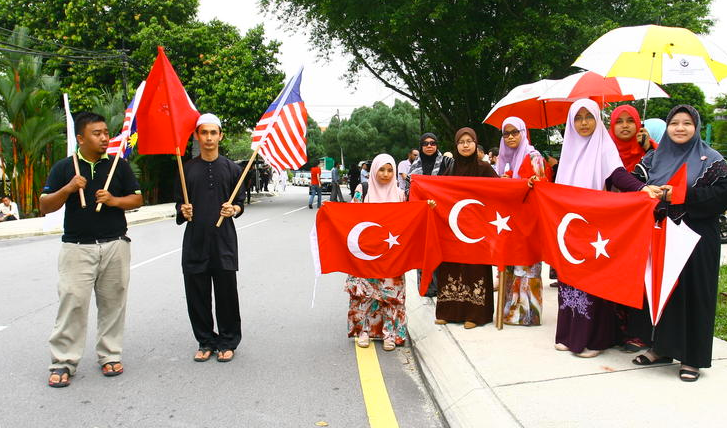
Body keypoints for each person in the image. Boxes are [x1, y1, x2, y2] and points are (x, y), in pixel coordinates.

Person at [40, 112, 143, 388]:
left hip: (115, 245)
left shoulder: (118, 166)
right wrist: (69, 188)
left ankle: (110, 354)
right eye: (97, 133)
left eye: (105, 132)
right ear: (81, 138)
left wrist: (113, 200)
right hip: (76, 248)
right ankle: (63, 360)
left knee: (113, 303)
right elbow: (44, 205)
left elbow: (138, 199)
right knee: (72, 303)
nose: (104, 137)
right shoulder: (64, 167)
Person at [554, 99, 658, 358]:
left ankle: (595, 340)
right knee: (570, 279)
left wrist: (641, 188)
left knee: (593, 281)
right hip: (570, 224)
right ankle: (569, 334)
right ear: (571, 122)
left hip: (595, 224)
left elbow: (618, 174)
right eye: (578, 118)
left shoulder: (604, 146)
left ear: (598, 119)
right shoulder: (568, 149)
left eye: (589, 116)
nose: (584, 123)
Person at [630, 105, 727, 382]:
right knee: (662, 293)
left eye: (687, 123)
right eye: (674, 123)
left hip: (696, 238)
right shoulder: (652, 159)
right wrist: (644, 189)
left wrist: (681, 195)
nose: (680, 128)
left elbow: (721, 196)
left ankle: (692, 359)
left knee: (695, 295)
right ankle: (660, 349)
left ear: (696, 127)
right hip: (660, 235)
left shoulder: (714, 161)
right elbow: (633, 185)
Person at [176, 113, 244, 364]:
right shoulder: (186, 170)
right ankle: (205, 340)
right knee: (197, 295)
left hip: (224, 242)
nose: (208, 137)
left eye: (213, 132)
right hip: (195, 243)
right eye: (203, 132)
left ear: (220, 136)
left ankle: (228, 341)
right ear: (196, 136)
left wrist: (233, 210)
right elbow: (178, 207)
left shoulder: (233, 169)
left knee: (227, 295)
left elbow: (239, 204)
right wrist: (183, 211)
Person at [435, 127, 499, 329]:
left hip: (477, 230)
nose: (465, 145)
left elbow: (501, 191)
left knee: (475, 269)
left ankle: (476, 313)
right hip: (454, 229)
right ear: (456, 145)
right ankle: (449, 311)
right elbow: (437, 191)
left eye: (469, 141)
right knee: (452, 267)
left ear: (475, 143)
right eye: (461, 142)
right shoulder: (451, 169)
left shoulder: (484, 169)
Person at [346, 154, 407, 351]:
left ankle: (390, 333)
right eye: (382, 169)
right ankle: (364, 331)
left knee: (391, 296)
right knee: (364, 294)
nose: (386, 174)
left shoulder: (399, 194)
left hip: (392, 255)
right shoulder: (362, 190)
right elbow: (350, 219)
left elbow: (406, 223)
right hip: (366, 253)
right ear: (374, 170)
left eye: (390, 170)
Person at [496, 117, 548, 326]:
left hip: (529, 219)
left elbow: (540, 187)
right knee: (512, 267)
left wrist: (517, 185)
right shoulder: (504, 160)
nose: (510, 137)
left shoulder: (533, 156)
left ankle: (529, 314)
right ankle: (511, 311)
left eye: (514, 132)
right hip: (510, 220)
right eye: (506, 133)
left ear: (523, 132)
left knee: (527, 266)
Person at [406, 132, 453, 297]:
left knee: (442, 250)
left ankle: (443, 286)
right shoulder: (414, 167)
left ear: (437, 145)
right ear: (421, 146)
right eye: (425, 143)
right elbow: (408, 190)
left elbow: (456, 184)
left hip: (443, 214)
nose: (429, 146)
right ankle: (426, 286)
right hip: (423, 215)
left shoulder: (447, 163)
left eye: (433, 143)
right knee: (424, 251)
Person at [608, 105, 657, 173]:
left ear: (637, 123)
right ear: (612, 125)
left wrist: (648, 148)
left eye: (630, 121)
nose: (625, 125)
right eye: (619, 121)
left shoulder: (651, 146)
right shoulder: (603, 149)